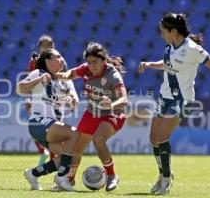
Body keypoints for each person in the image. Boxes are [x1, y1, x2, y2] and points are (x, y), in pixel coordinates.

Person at [138, 13, 210, 195]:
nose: (161, 34)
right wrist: (149, 64)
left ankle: (167, 180)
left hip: (182, 99)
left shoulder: (192, 48)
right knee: (153, 138)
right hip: (164, 96)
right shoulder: (169, 46)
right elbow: (167, 64)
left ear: (173, 31)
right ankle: (163, 175)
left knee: (162, 136)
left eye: (163, 31)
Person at [55, 42, 128, 192]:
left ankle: (111, 175)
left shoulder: (112, 74)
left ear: (103, 60)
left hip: (113, 113)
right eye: (89, 62)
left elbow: (124, 99)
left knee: (98, 139)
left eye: (95, 62)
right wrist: (63, 76)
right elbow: (72, 74)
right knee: (76, 149)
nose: (91, 65)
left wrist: (112, 105)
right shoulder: (86, 69)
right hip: (92, 113)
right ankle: (69, 180)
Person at [16, 49, 79, 191]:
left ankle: (32, 174)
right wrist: (39, 80)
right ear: (48, 61)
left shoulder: (66, 80)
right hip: (38, 122)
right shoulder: (38, 73)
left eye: (61, 56)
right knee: (74, 133)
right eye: (57, 57)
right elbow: (19, 89)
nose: (61, 59)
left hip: (51, 126)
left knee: (71, 157)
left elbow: (75, 101)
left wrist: (72, 99)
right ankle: (62, 177)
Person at [26, 34, 67, 166]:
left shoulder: (60, 61)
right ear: (40, 48)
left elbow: (65, 80)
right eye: (44, 46)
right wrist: (28, 98)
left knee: (56, 133)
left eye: (49, 46)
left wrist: (64, 97)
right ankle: (48, 156)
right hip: (39, 101)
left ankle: (54, 161)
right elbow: (29, 81)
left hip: (54, 101)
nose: (46, 48)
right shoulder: (34, 63)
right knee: (38, 128)